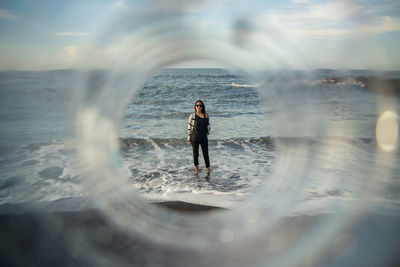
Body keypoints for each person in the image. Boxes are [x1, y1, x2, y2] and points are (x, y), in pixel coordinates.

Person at [187, 100, 211, 176]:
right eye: (197, 105)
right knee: (195, 155)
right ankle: (197, 170)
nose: (199, 107)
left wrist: (207, 134)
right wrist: (189, 138)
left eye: (200, 105)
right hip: (195, 138)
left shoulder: (206, 115)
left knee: (206, 154)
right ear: (195, 107)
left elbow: (208, 126)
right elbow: (189, 127)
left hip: (203, 138)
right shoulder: (192, 116)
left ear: (202, 107)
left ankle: (208, 170)